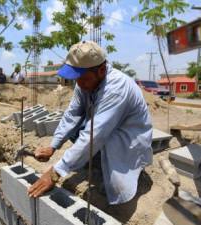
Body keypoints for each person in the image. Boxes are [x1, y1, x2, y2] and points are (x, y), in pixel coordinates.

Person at [28, 41, 153, 205]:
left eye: (83, 78)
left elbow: (94, 135)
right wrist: (53, 145)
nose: (79, 84)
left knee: (118, 187)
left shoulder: (116, 88)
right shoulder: (85, 80)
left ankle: (135, 171)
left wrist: (55, 173)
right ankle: (96, 161)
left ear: (101, 70)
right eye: (76, 78)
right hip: (103, 131)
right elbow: (72, 114)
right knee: (77, 128)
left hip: (128, 138)